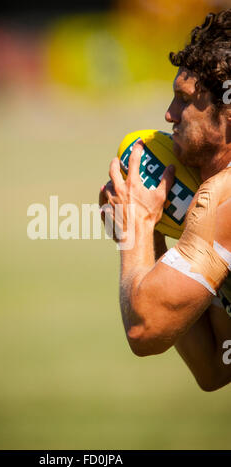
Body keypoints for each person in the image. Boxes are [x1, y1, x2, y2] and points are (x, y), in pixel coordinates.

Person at [99, 9, 231, 391]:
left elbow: (146, 329)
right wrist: (152, 237)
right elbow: (216, 367)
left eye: (184, 100)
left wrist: (135, 227)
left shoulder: (221, 201)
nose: (169, 114)